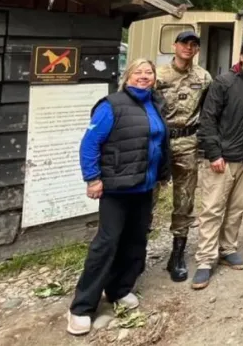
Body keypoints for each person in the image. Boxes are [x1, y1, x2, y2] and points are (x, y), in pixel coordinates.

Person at [67, 59, 171, 336]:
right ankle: (81, 307)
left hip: (144, 186)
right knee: (107, 242)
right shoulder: (110, 105)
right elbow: (90, 143)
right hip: (116, 188)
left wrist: (162, 172)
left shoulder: (155, 103)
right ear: (127, 77)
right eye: (138, 72)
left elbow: (159, 142)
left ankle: (119, 289)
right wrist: (92, 178)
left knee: (136, 240)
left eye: (148, 73)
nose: (143, 77)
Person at [191, 39, 243, 290]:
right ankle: (205, 260)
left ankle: (227, 249)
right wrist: (214, 153)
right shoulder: (223, 82)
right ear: (242, 55)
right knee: (212, 209)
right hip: (222, 158)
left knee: (236, 209)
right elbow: (208, 120)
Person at [155, 30, 212, 282]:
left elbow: (208, 111)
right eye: (184, 43)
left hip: (188, 142)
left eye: (193, 45)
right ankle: (134, 254)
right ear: (174, 45)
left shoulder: (203, 77)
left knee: (184, 199)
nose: (188, 48)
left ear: (197, 50)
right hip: (159, 142)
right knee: (149, 197)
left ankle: (176, 255)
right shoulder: (157, 75)